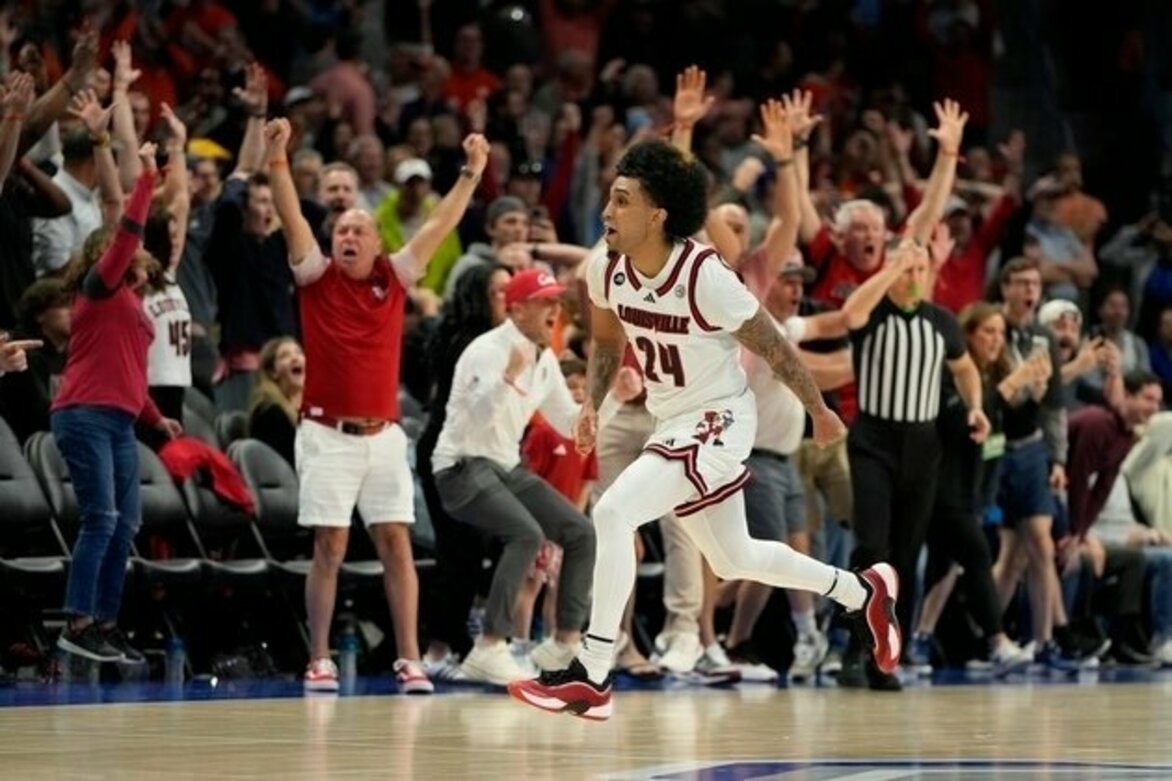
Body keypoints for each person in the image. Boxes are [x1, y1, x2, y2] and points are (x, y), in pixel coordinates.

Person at [508, 138, 900, 720]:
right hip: (674, 420)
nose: (607, 214)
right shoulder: (605, 268)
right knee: (733, 558)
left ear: (657, 215)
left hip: (719, 417)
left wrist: (818, 410)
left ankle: (592, 673)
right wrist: (592, 403)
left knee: (613, 512)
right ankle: (860, 591)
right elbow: (610, 342)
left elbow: (776, 347)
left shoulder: (707, 278)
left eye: (621, 202)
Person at [261, 117, 490, 694]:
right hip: (325, 434)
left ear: (378, 243)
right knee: (330, 545)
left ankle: (410, 658)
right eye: (341, 230)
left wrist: (471, 174)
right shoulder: (314, 278)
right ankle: (318, 658)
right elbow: (291, 218)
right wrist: (278, 160)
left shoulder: (394, 277)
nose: (348, 237)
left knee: (396, 543)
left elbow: (440, 224)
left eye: (359, 231)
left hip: (384, 434)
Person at [432, 269, 604, 685]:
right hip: (460, 467)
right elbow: (472, 420)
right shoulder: (487, 349)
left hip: (506, 467)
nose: (555, 310)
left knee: (581, 532)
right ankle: (489, 647)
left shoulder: (545, 357)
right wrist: (508, 378)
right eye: (545, 302)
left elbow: (567, 422)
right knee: (526, 533)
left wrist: (609, 400)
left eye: (557, 302)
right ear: (518, 308)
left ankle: (563, 643)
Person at [53, 148, 183, 664]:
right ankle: (77, 622)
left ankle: (105, 623)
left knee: (126, 522)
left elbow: (130, 374)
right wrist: (146, 181)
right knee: (101, 518)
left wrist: (156, 417)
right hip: (83, 413)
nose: (133, 253)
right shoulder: (99, 288)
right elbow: (128, 231)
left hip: (121, 421)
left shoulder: (130, 302)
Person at [247, 336, 304, 467]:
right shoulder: (269, 413)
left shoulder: (311, 407)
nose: (295, 358)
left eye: (299, 352)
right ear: (273, 372)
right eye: (285, 356)